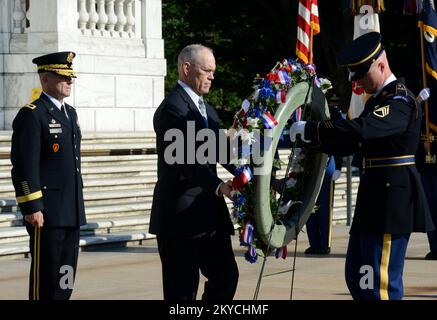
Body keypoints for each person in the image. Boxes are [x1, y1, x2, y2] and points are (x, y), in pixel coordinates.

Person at [289, 32, 434, 300]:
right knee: (358, 278)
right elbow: (351, 144)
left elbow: (362, 131)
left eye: (362, 75)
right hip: (375, 199)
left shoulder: (399, 101)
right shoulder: (378, 100)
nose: (358, 83)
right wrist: (316, 139)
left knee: (379, 285)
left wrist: (315, 130)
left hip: (391, 203)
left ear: (381, 65)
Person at [150, 44, 239, 300]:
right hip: (180, 219)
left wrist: (259, 178)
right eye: (206, 70)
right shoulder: (172, 109)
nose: (212, 76)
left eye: (213, 71)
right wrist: (219, 186)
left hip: (209, 217)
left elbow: (222, 153)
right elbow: (184, 161)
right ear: (187, 68)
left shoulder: (207, 110)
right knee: (182, 292)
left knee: (226, 277)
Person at [10, 51, 85, 300]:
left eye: (71, 77)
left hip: (71, 211)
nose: (69, 81)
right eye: (63, 77)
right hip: (47, 214)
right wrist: (32, 207)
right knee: (46, 281)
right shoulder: (32, 114)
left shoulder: (70, 113)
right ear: (45, 79)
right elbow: (23, 165)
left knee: (66, 277)